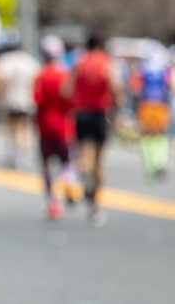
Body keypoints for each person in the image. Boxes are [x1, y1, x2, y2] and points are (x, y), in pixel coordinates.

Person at [61, 31, 124, 226]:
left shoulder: (79, 63)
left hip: (81, 113)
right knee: (99, 162)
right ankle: (95, 206)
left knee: (84, 156)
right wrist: (117, 106)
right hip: (99, 114)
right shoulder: (106, 62)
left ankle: (75, 181)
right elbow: (115, 86)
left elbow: (66, 90)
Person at [32, 35, 77, 220]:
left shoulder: (41, 76)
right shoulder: (65, 75)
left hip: (45, 127)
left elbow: (37, 100)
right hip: (65, 127)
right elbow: (72, 101)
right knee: (67, 162)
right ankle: (69, 184)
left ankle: (53, 202)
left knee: (47, 167)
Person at [0, 43, 41, 169]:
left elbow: (0, 80)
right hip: (26, 100)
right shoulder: (30, 61)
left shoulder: (5, 60)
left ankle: (13, 153)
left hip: (10, 99)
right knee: (24, 127)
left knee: (11, 127)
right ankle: (22, 155)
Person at [131, 45, 171, 181]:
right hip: (160, 105)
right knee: (160, 134)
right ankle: (160, 161)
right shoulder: (164, 70)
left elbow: (135, 88)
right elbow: (170, 86)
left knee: (146, 135)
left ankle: (150, 166)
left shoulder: (142, 69)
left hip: (146, 105)